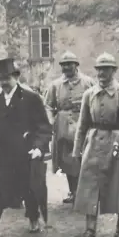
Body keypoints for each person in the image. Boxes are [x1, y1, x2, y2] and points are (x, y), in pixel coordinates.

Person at [0, 58, 52, 237]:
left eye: (7, 78)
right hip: (1, 156)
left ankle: (33, 217)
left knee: (28, 190)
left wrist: (39, 148)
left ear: (16, 77)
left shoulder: (31, 98)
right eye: (1, 78)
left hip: (25, 154)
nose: (4, 82)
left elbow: (44, 127)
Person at [72, 53, 119, 237]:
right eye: (99, 69)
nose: (102, 73)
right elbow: (82, 124)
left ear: (114, 71)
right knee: (90, 187)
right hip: (94, 144)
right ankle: (90, 230)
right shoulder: (89, 95)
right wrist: (78, 149)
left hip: (117, 145)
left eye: (106, 69)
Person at [44, 51, 95, 205]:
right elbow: (47, 105)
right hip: (63, 129)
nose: (66, 67)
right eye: (63, 65)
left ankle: (85, 193)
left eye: (69, 64)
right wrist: (52, 121)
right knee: (68, 161)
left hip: (83, 125)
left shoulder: (88, 82)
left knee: (85, 160)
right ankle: (73, 192)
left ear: (76, 65)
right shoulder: (56, 85)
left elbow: (96, 102)